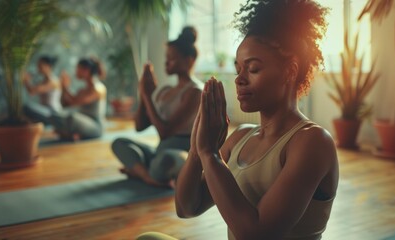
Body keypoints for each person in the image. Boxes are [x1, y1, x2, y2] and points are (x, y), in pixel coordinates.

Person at [145, 1, 338, 240]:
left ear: (290, 71)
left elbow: (256, 234)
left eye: (253, 68)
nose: (239, 80)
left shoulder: (312, 142)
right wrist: (197, 150)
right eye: (238, 69)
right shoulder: (240, 137)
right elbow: (186, 207)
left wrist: (211, 155)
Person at [111, 26, 203, 187]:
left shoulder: (195, 92)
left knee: (164, 160)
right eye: (166, 57)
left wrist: (148, 95)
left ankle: (139, 171)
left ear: (189, 60)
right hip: (159, 150)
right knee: (119, 143)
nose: (166, 62)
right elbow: (140, 126)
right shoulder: (165, 91)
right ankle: (148, 176)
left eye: (172, 58)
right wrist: (143, 94)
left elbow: (165, 132)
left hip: (180, 153)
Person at [25, 57, 107, 141]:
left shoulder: (98, 88)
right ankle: (67, 132)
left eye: (78, 69)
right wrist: (64, 88)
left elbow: (75, 102)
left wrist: (65, 87)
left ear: (87, 70)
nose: (76, 72)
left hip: (95, 127)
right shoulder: (82, 90)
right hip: (83, 122)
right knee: (61, 115)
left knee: (72, 117)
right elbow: (66, 104)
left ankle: (65, 132)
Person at [23, 55, 62, 123]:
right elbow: (31, 92)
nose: (38, 68)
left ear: (48, 66)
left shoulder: (53, 82)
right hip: (45, 110)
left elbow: (32, 91)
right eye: (38, 66)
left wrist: (26, 81)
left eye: (40, 66)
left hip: (53, 113)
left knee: (26, 108)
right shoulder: (43, 81)